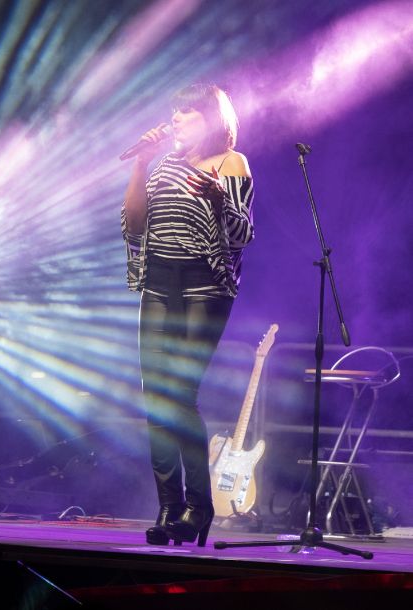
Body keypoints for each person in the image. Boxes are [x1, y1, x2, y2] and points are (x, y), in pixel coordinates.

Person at [121, 84, 255, 546]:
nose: (175, 120)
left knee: (179, 393)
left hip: (205, 288)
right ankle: (169, 506)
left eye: (187, 114)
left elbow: (242, 235)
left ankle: (199, 506)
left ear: (212, 120)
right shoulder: (163, 166)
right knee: (156, 399)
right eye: (173, 112)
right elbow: (134, 224)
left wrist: (219, 199)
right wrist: (140, 162)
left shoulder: (230, 164)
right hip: (158, 285)